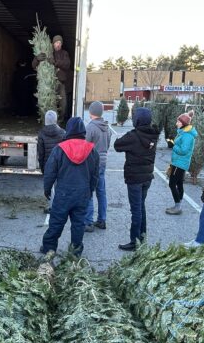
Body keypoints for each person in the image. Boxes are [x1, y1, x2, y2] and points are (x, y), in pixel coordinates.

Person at [41, 117, 99, 257]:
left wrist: (47, 189)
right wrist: (90, 191)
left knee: (56, 222)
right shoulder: (91, 150)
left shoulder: (59, 149)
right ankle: (75, 251)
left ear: (69, 130)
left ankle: (49, 248)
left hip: (63, 194)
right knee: (78, 224)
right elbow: (94, 175)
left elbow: (50, 172)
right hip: (82, 194)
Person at [113, 107, 160, 251]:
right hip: (147, 177)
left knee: (136, 210)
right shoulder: (153, 134)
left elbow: (117, 145)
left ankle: (134, 241)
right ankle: (142, 237)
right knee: (141, 207)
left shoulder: (133, 136)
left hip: (135, 179)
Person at [83, 101, 111, 231]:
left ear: (91, 112)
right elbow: (108, 145)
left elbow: (85, 146)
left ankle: (88, 222)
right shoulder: (107, 128)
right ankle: (102, 220)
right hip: (103, 161)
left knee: (89, 191)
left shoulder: (90, 127)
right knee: (101, 191)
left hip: (92, 163)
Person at [33, 34, 72, 121]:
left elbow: (67, 64)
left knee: (63, 105)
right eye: (56, 42)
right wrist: (37, 58)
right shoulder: (48, 53)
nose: (58, 44)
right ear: (53, 43)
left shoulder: (64, 53)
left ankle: (60, 120)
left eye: (60, 43)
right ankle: (48, 121)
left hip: (60, 83)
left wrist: (55, 62)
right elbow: (34, 66)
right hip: (48, 84)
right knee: (48, 103)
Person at [166, 110, 197, 215]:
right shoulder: (183, 132)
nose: (176, 123)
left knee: (172, 184)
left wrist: (173, 145)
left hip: (180, 163)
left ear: (183, 123)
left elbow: (183, 151)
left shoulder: (187, 135)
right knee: (179, 183)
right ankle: (178, 205)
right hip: (178, 162)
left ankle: (178, 206)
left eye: (178, 122)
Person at [37, 110, 65, 175]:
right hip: (60, 167)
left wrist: (42, 169)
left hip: (47, 167)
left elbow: (41, 154)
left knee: (48, 185)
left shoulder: (41, 133)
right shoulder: (63, 133)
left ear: (45, 120)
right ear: (56, 119)